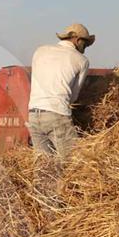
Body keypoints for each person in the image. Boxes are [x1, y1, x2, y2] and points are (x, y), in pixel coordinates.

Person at [27, 23, 93, 156]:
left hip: (33, 114)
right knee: (73, 160)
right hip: (56, 114)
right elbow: (73, 96)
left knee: (44, 166)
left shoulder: (40, 51)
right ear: (77, 40)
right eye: (85, 44)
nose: (85, 49)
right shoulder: (82, 60)